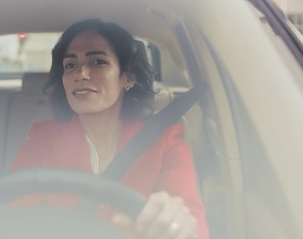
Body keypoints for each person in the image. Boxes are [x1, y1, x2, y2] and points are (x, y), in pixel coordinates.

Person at [12, 19, 209, 239]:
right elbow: (17, 221)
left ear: (127, 78)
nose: (81, 74)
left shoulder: (165, 139)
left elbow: (190, 220)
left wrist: (177, 226)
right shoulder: (41, 141)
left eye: (97, 62)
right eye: (70, 65)